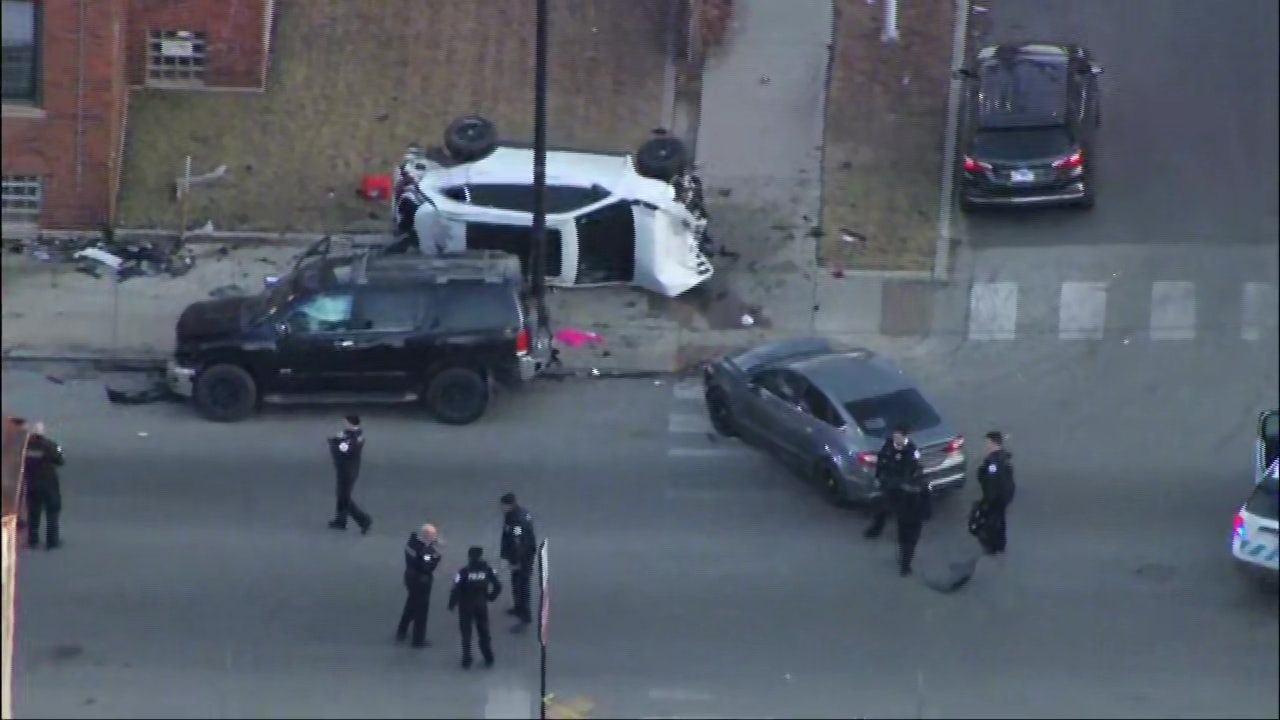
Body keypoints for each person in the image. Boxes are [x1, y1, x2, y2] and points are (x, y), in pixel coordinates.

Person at [864, 424, 922, 539]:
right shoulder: (889, 444)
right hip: (888, 483)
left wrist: (907, 482)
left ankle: (905, 534)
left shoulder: (911, 450)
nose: (895, 438)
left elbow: (913, 469)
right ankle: (875, 530)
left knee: (903, 512)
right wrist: (878, 476)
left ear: (904, 436)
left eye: (898, 436)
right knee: (882, 509)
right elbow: (881, 459)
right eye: (894, 435)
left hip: (902, 486)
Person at [448, 545, 502, 669]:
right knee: (484, 632)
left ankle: (466, 659)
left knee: (466, 633)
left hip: (466, 605)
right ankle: (488, 657)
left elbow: (456, 589)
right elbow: (498, 585)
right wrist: (490, 597)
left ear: (469, 557)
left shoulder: (463, 571)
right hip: (481, 605)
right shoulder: (488, 570)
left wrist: (452, 603)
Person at [397, 523, 442, 647]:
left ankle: (402, 630)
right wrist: (436, 558)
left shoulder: (411, 543)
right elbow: (427, 566)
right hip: (421, 581)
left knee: (411, 603)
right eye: (433, 535)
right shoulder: (425, 551)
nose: (435, 537)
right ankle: (418, 639)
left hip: (409, 577)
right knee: (421, 611)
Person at [22, 420, 65, 550]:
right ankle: (52, 541)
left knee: (33, 513)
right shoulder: (50, 445)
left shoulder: (24, 447)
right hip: (48, 484)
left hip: (32, 483)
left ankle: (32, 540)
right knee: (52, 512)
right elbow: (60, 460)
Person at [498, 492, 537, 631]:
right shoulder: (518, 513)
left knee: (522, 586)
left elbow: (519, 543)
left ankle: (525, 617)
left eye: (503, 506)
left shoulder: (517, 520)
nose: (501, 508)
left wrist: (514, 561)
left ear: (510, 504)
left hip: (523, 558)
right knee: (515, 582)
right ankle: (518, 607)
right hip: (519, 555)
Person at [327, 415, 372, 534]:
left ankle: (364, 519)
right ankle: (340, 520)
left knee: (344, 496)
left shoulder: (353, 437)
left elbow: (343, 449)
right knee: (341, 494)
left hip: (347, 470)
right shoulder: (353, 434)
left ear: (350, 423)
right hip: (346, 468)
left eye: (345, 422)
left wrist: (334, 444)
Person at [976, 431, 1016, 554]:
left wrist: (987, 500)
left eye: (987, 442)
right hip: (1005, 495)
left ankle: (993, 546)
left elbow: (992, 482)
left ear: (993, 443)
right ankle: (1000, 543)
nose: (986, 445)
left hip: (996, 497)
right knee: (1000, 519)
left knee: (992, 521)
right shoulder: (1004, 457)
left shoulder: (993, 461)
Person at [894, 470, 931, 576]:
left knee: (903, 538)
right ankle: (905, 567)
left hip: (902, 516)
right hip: (915, 519)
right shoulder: (924, 488)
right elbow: (927, 504)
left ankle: (902, 557)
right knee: (911, 543)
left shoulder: (902, 483)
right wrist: (926, 515)